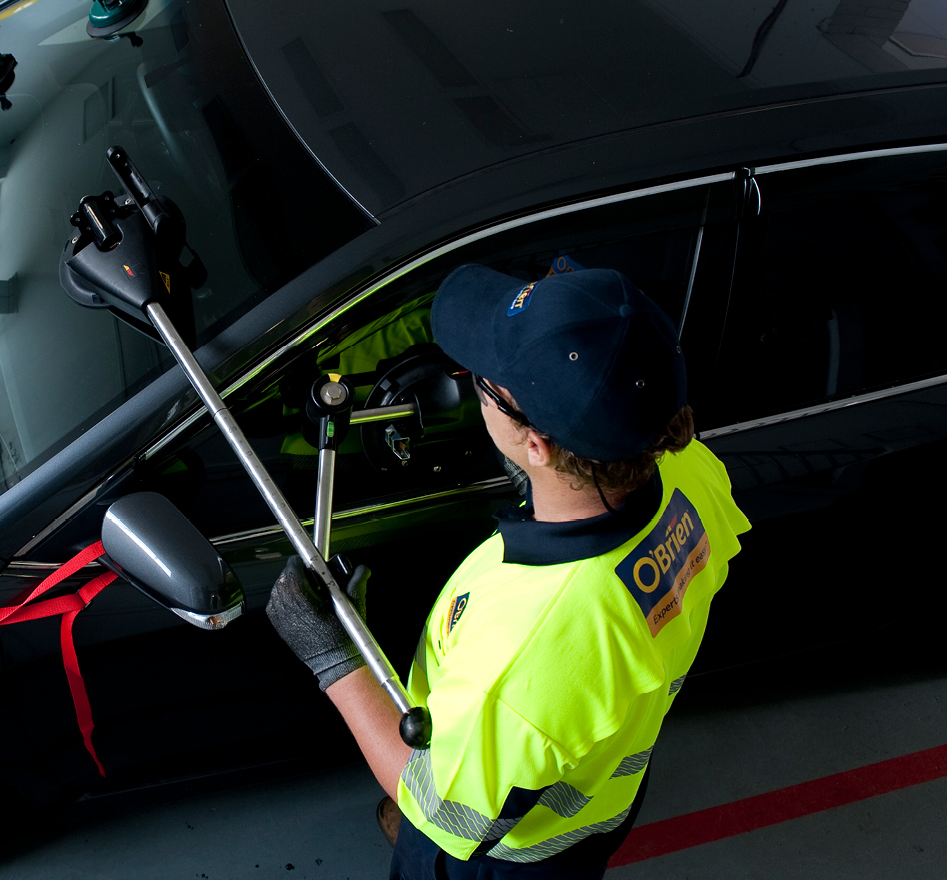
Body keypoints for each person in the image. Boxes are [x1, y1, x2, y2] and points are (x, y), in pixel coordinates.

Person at [266, 264, 751, 879]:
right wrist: (540, 484)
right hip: (593, 790)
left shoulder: (533, 648)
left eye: (485, 384)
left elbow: (438, 807)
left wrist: (334, 659)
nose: (471, 380)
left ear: (539, 446)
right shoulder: (691, 474)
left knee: (427, 824)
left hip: (505, 856)